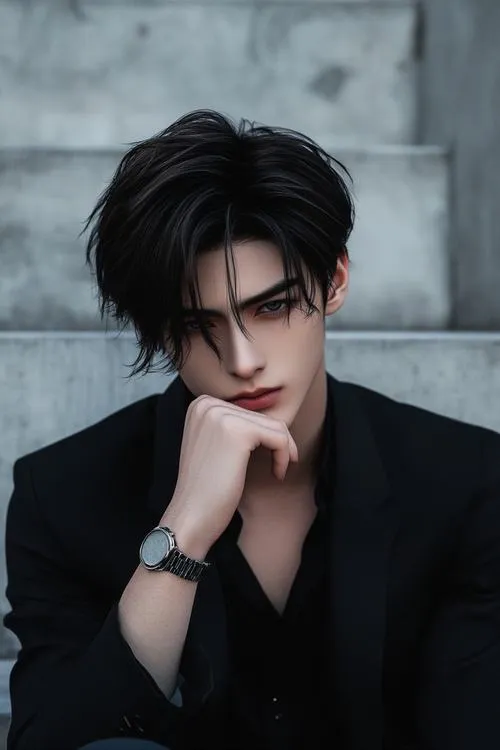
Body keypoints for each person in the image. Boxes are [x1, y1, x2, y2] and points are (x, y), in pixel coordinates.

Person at [3, 109, 500, 750]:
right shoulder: (62, 495)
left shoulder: (467, 482)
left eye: (273, 306)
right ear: (158, 331)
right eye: (196, 325)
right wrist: (182, 535)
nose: (242, 361)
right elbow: (63, 740)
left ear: (335, 281)